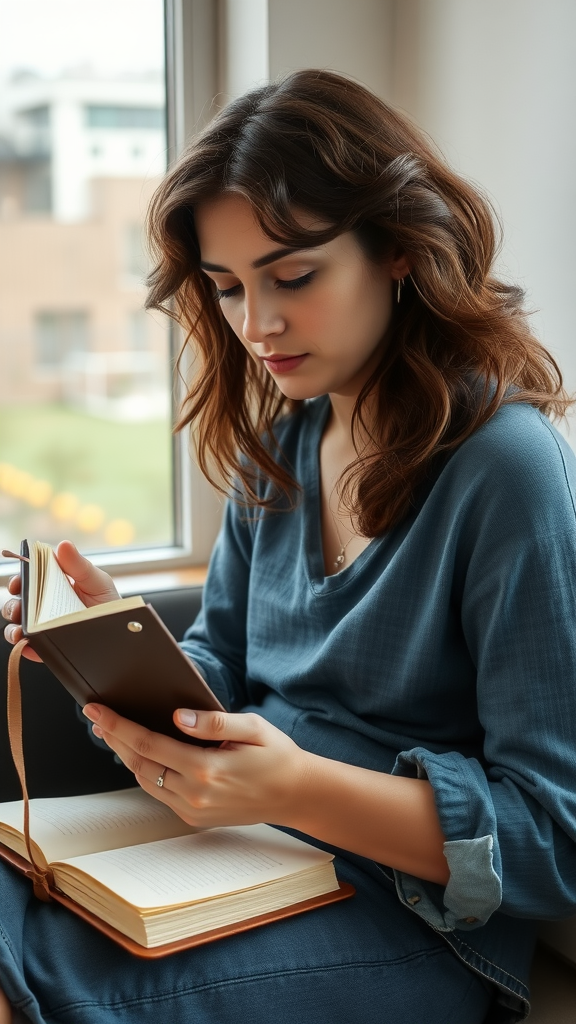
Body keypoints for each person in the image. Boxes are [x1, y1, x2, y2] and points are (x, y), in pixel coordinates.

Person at [1, 68, 576, 1024]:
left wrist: (299, 787)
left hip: (410, 922)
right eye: (227, 288)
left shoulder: (506, 471)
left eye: (294, 277)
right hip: (248, 851)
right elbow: (222, 669)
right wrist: (110, 640)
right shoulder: (287, 439)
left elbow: (553, 841)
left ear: (397, 248)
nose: (256, 325)